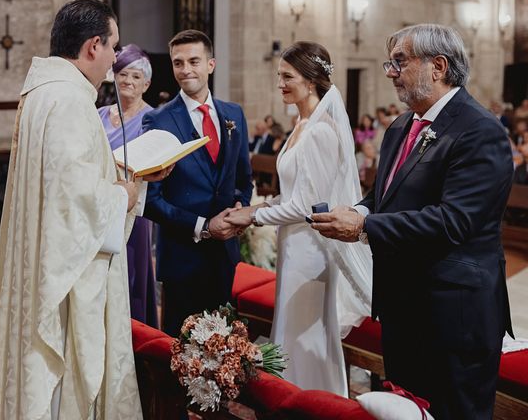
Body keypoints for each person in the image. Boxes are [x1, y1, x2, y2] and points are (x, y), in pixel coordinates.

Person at [311, 24, 514, 419]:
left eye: (399, 62)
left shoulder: (479, 130)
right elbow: (381, 197)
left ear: (438, 66)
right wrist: (360, 212)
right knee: (405, 409)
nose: (390, 71)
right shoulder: (401, 126)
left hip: (454, 312)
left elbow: (455, 221)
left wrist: (366, 228)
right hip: (403, 305)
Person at [0, 0, 171, 420]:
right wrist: (126, 194)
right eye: (113, 47)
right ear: (92, 46)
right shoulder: (68, 101)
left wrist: (127, 180)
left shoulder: (45, 93)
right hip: (66, 280)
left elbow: (63, 180)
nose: (116, 58)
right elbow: (74, 201)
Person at [224, 41, 372, 394]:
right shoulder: (303, 124)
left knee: (306, 336)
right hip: (295, 245)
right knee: (291, 331)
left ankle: (316, 403)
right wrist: (254, 207)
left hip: (312, 250)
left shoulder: (321, 131)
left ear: (311, 79)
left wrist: (252, 219)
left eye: (287, 76)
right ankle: (291, 402)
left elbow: (308, 208)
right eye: (279, 75)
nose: (280, 83)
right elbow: (292, 196)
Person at [143, 29, 253, 337]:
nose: (185, 70)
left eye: (193, 61)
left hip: (226, 256)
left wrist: (239, 210)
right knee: (183, 352)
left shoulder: (234, 114)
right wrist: (204, 226)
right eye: (178, 63)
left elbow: (243, 176)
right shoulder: (159, 120)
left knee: (227, 349)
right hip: (183, 256)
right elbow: (152, 199)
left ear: (211, 65)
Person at [98, 43, 158, 328]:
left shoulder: (152, 119)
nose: (128, 82)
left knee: (131, 274)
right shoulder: (99, 114)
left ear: (146, 84)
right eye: (123, 74)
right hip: (100, 204)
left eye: (136, 77)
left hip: (133, 208)